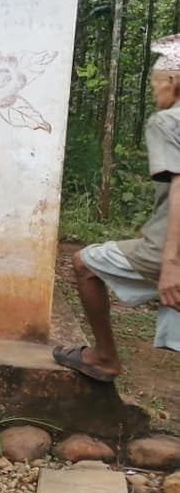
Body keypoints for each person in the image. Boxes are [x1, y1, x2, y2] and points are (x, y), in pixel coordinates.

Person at [54, 34, 180, 381]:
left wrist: (171, 265)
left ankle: (104, 357)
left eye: (155, 84)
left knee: (85, 264)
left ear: (172, 80)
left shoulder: (168, 121)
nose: (154, 93)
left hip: (170, 252)